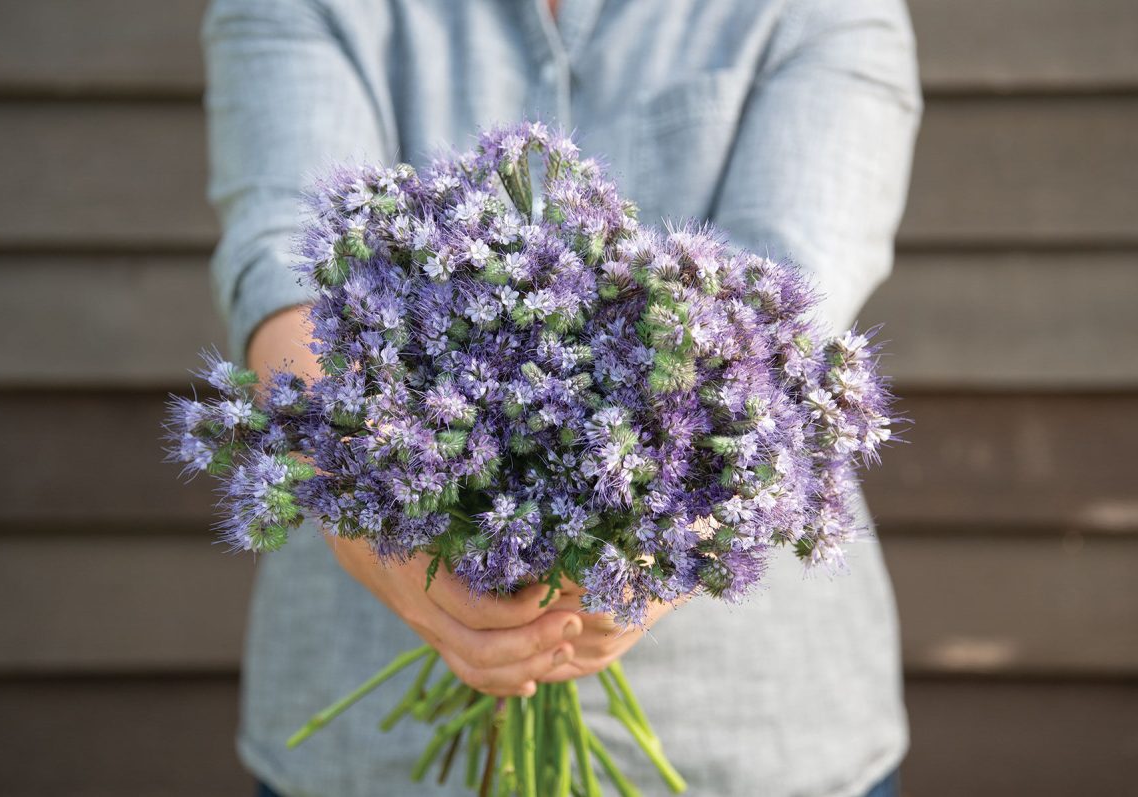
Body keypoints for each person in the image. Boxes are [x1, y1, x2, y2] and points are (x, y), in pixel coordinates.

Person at [203, 0, 922, 794]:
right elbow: (284, 258)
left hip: (755, 744)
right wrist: (361, 467)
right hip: (369, 760)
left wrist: (646, 544)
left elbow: (777, 305)